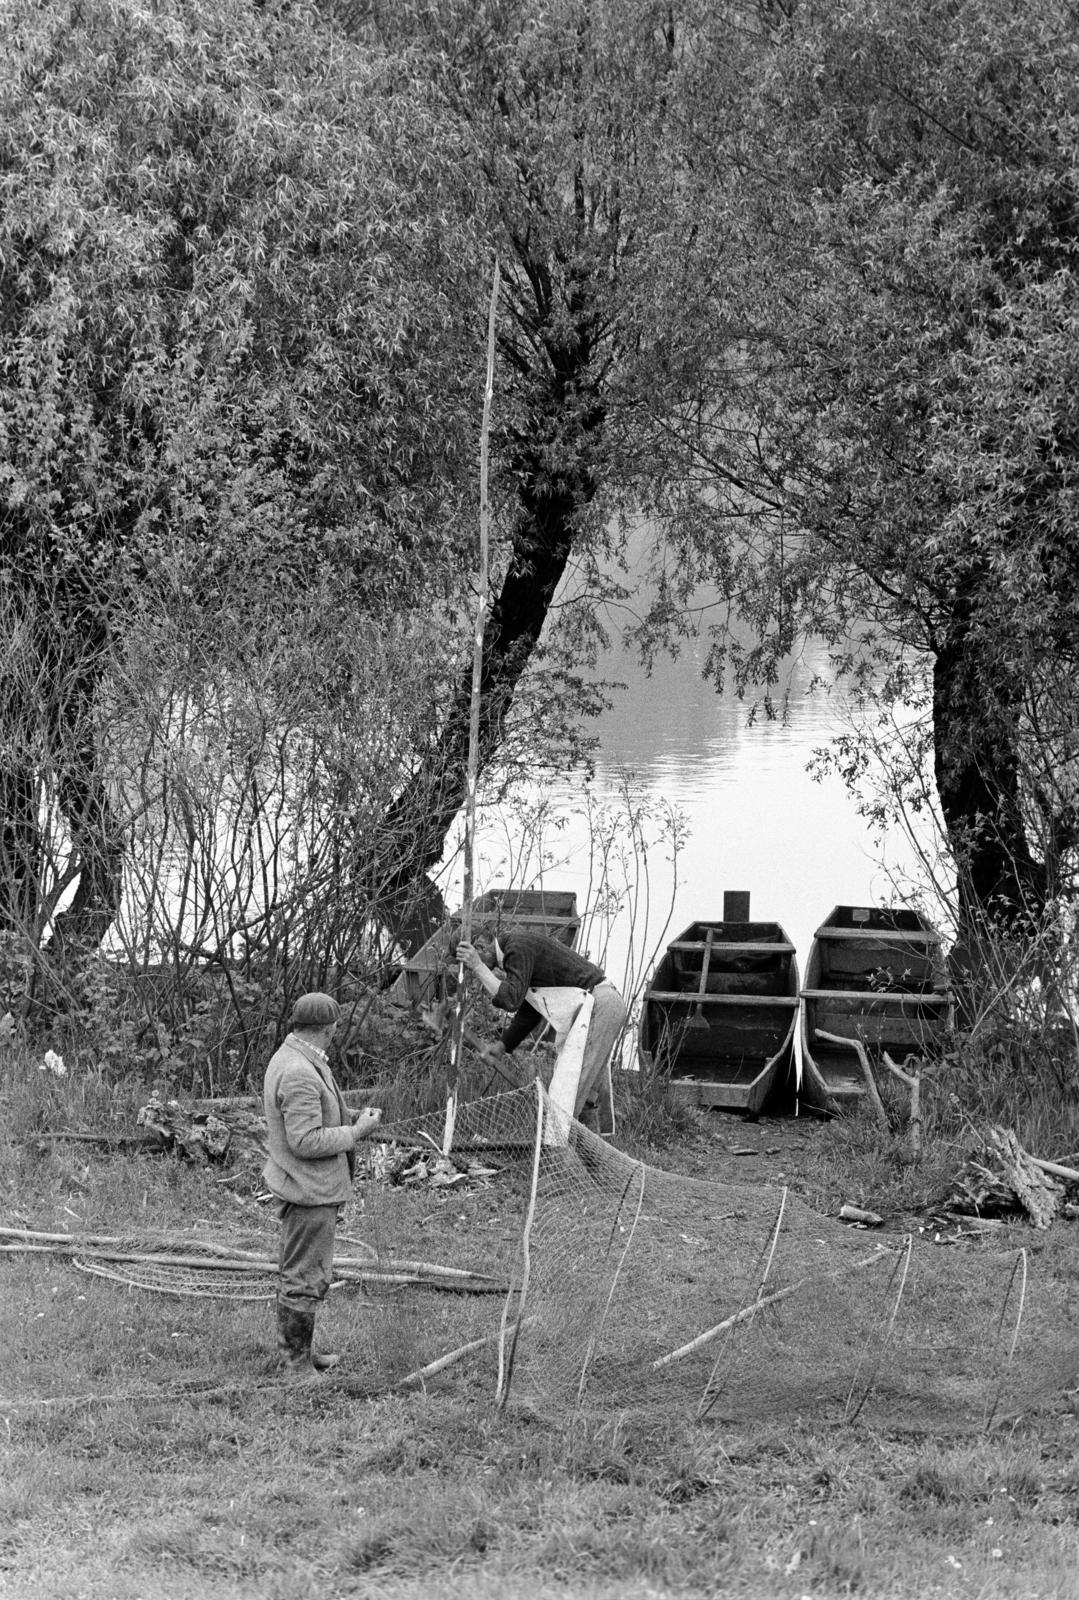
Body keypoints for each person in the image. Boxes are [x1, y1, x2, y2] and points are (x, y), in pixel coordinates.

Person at [262, 992, 381, 1382]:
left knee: (304, 1270)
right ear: (329, 1029)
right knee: (305, 1275)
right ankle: (294, 1366)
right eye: (335, 1027)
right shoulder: (298, 1069)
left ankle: (301, 1354)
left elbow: (311, 1116)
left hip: (307, 1187)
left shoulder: (295, 1057)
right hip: (308, 1189)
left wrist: (345, 1115)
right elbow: (306, 1141)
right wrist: (356, 1131)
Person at [455, 923, 628, 1134]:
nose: (471, 971)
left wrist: (478, 967)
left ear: (480, 947)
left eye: (467, 961)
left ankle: (562, 1154)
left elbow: (511, 1000)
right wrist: (503, 1045)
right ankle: (590, 1157)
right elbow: (530, 1010)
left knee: (572, 1087)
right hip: (601, 1005)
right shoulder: (519, 949)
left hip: (600, 1005)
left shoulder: (517, 946)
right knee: (587, 1091)